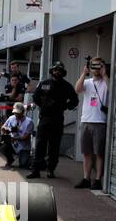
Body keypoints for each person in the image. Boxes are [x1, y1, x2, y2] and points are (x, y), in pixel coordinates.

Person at [28, 61, 78, 179]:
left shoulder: (67, 86)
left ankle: (51, 170)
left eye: (60, 70)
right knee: (40, 145)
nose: (57, 72)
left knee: (54, 147)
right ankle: (36, 170)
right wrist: (43, 105)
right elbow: (35, 97)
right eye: (55, 70)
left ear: (63, 72)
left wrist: (64, 106)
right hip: (44, 118)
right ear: (52, 71)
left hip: (57, 119)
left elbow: (74, 101)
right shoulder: (44, 83)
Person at [75, 56, 109, 190]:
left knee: (99, 153)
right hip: (86, 120)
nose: (96, 69)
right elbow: (77, 89)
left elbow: (112, 90)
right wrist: (84, 73)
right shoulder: (87, 82)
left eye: (98, 66)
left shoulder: (106, 81)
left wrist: (104, 74)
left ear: (103, 67)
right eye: (93, 66)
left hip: (100, 121)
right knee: (86, 152)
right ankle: (86, 178)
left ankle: (97, 179)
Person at [0, 102, 34, 169]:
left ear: (23, 112)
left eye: (18, 113)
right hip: (12, 143)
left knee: (23, 165)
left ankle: (30, 159)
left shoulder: (29, 122)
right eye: (15, 113)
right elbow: (3, 127)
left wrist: (15, 138)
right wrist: (6, 129)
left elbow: (26, 137)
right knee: (2, 147)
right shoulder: (11, 118)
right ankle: (10, 159)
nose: (16, 114)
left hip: (23, 146)